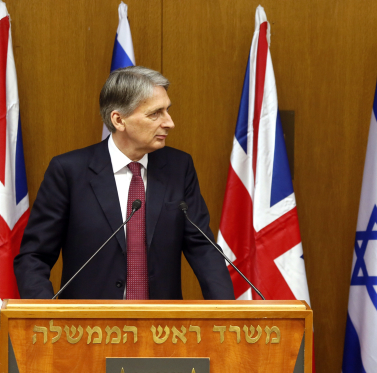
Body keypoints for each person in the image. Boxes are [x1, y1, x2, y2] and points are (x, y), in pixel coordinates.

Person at [14, 66, 234, 300]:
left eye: (167, 111)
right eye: (155, 114)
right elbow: (34, 256)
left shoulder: (179, 168)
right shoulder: (69, 171)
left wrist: (228, 314)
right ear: (119, 120)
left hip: (163, 329)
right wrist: (46, 317)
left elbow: (203, 248)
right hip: (86, 329)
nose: (169, 123)